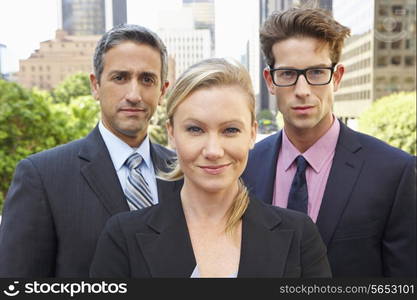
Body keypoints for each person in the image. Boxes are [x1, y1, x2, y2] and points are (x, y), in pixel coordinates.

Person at [89, 58, 331, 278]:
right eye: (195, 129)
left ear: (252, 133)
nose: (213, 151)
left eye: (230, 130)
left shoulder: (299, 236)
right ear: (171, 134)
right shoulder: (123, 237)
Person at [242, 7, 416, 277]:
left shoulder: (395, 172)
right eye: (288, 74)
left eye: (317, 73)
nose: (302, 91)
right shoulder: (244, 166)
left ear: (336, 77)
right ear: (270, 81)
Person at [0, 24, 176, 277]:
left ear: (162, 91)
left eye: (147, 79)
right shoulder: (41, 177)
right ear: (95, 85)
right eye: (120, 78)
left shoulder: (183, 172)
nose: (134, 94)